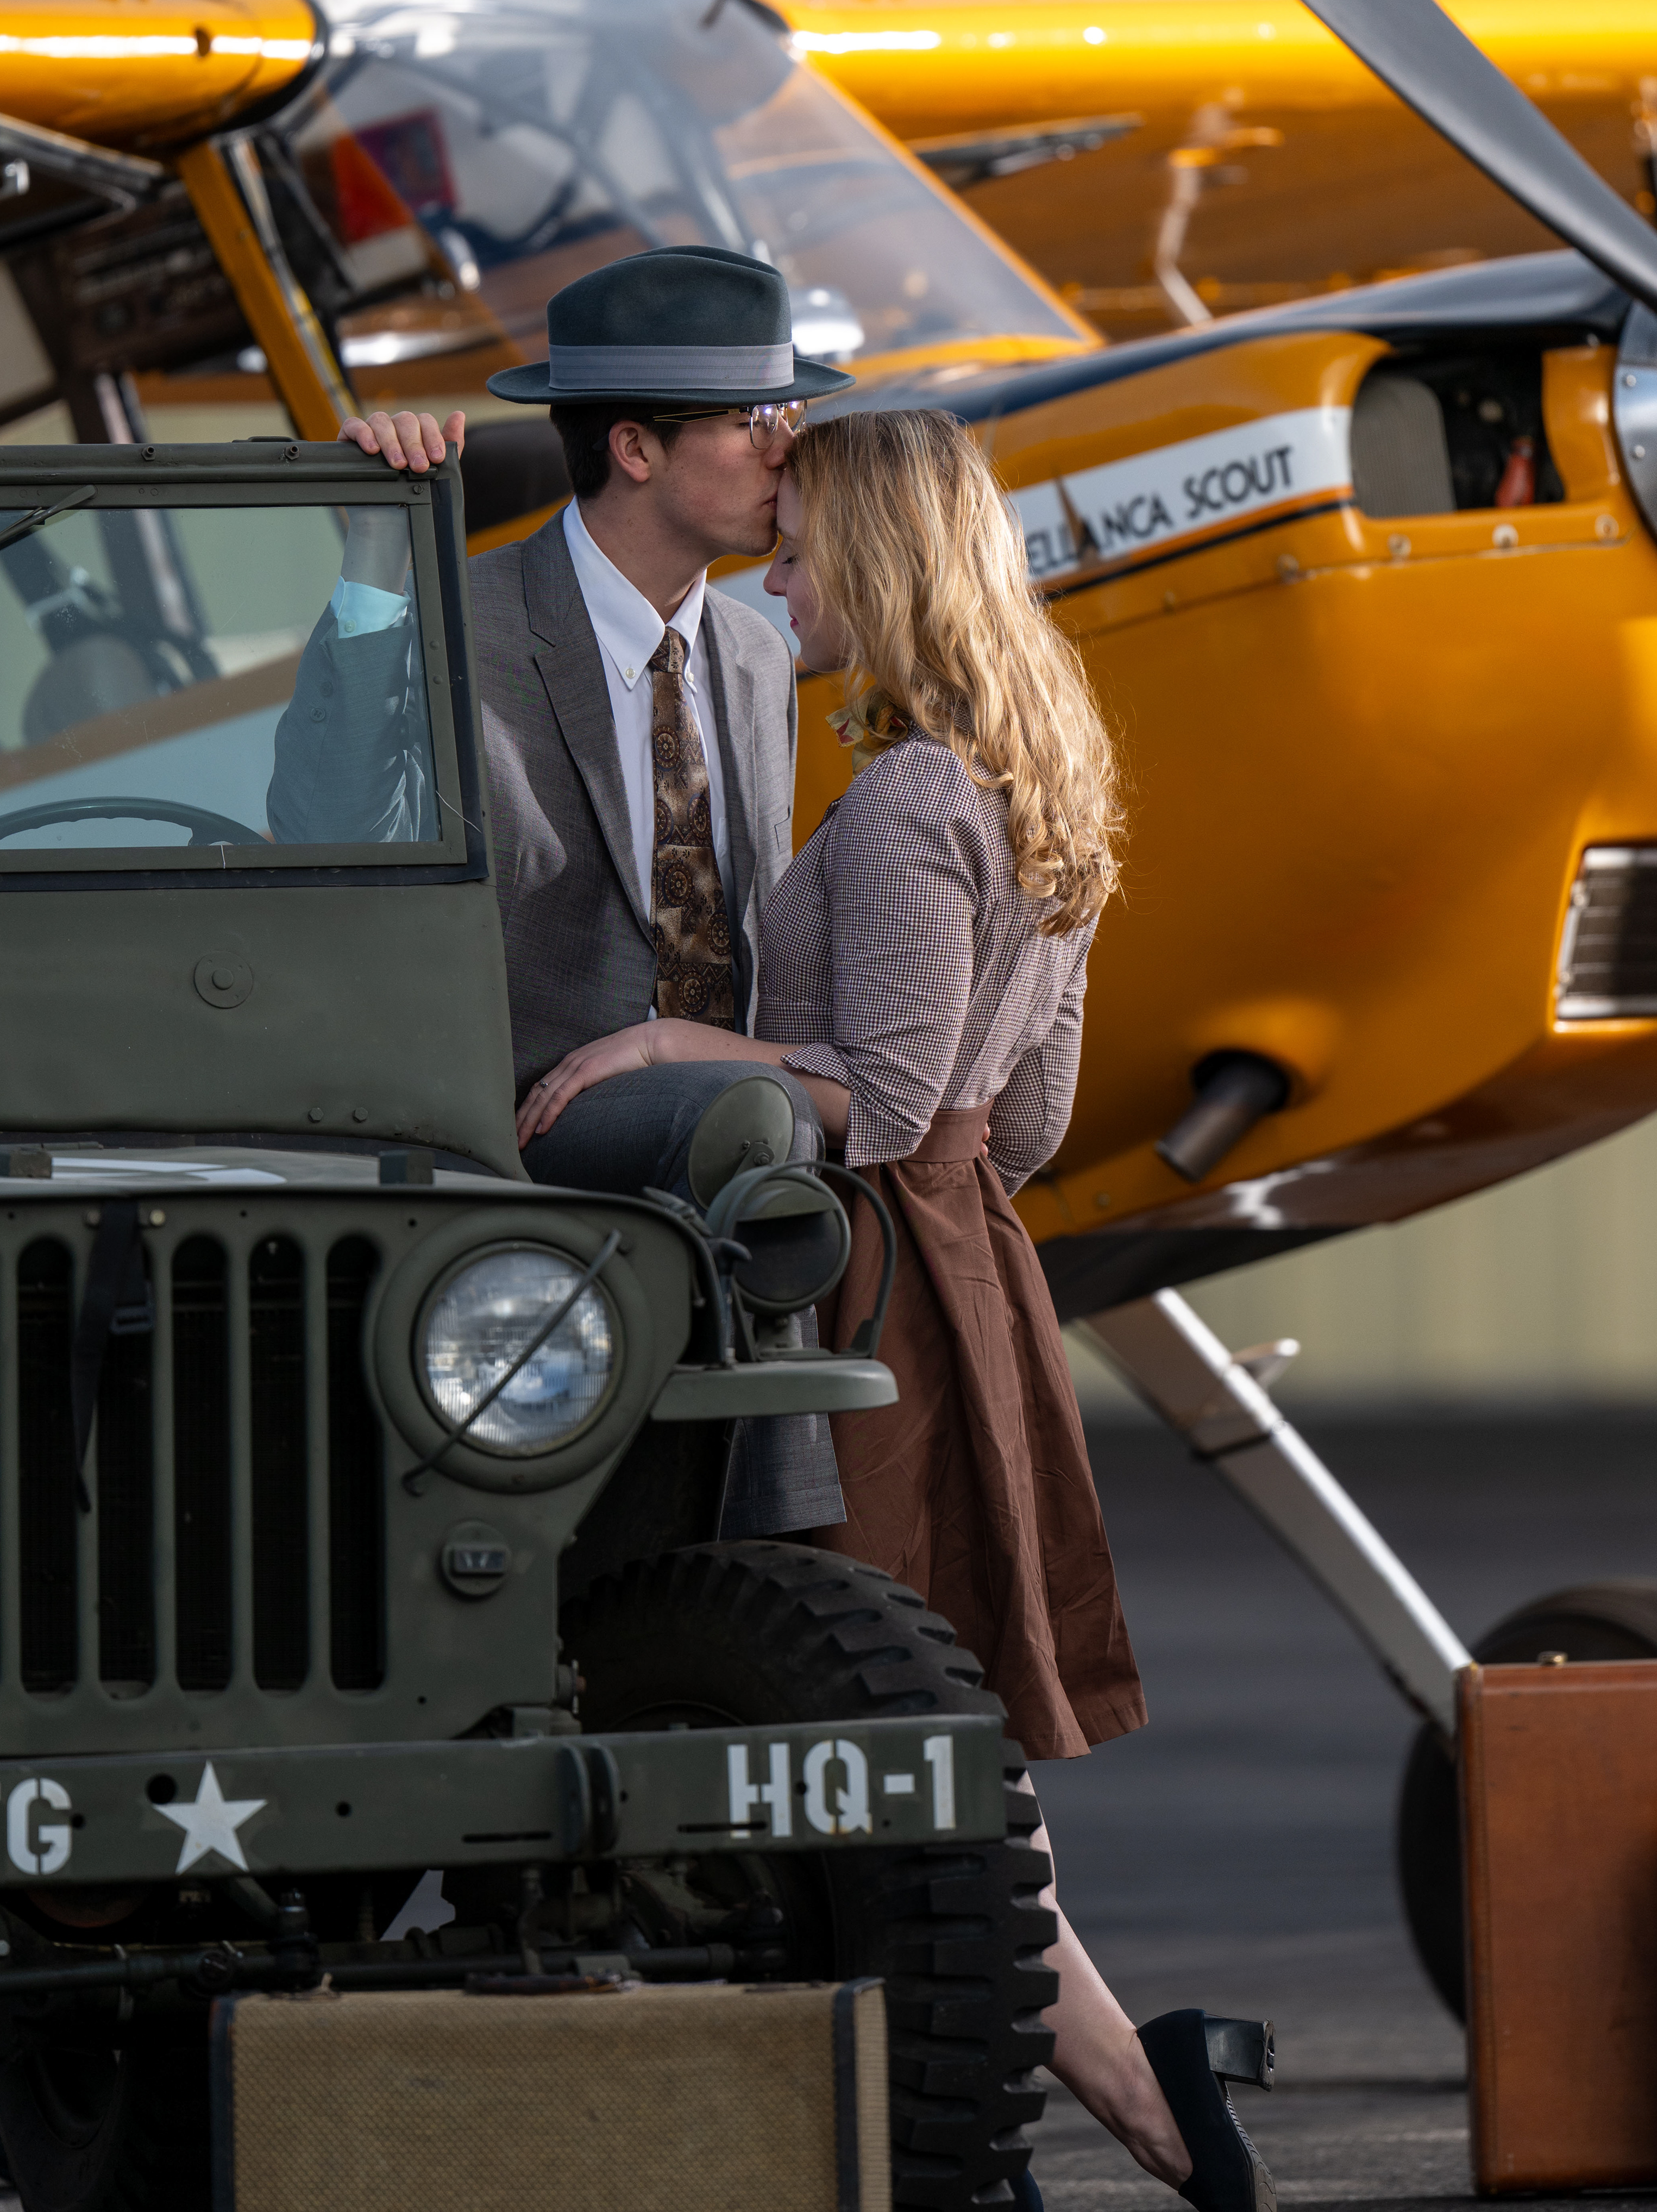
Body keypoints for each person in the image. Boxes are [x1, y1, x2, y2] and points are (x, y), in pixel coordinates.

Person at [518, 408, 1258, 2203]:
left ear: (885, 563)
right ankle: (1103, 2106)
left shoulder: (919, 796)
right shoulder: (1043, 777)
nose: (780, 585)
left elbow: (895, 1095)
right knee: (931, 1728)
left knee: (885, 1721)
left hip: (867, 1276)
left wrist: (672, 1041)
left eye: (803, 555)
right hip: (970, 1262)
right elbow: (1029, 1118)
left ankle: (1085, 2105)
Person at [311, 241, 855, 1533]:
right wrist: (372, 564)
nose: (790, 450)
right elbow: (325, 821)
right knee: (766, 1120)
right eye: (757, 420)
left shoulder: (756, 650)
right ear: (636, 449)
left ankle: (792, 1562)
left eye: (791, 412)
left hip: (722, 1127)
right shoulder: (458, 616)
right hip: (511, 1131)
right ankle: (786, 1529)